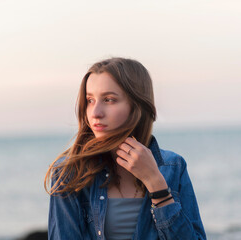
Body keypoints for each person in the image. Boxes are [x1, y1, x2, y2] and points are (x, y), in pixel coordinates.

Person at [44, 57, 206, 240]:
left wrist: (155, 183)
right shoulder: (69, 172)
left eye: (109, 99)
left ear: (137, 105)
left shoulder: (173, 166)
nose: (95, 113)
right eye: (90, 100)